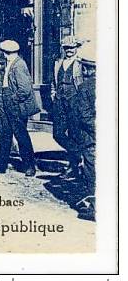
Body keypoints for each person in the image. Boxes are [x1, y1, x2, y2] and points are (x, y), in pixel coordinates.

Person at [0, 40, 39, 177]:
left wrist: (12, 100)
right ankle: (1, 165)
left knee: (21, 135)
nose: (4, 55)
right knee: (4, 135)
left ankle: (29, 165)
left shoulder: (19, 65)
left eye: (5, 53)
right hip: (5, 101)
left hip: (15, 104)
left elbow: (25, 89)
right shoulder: (9, 63)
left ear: (7, 53)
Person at [50, 36, 84, 179]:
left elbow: (84, 84)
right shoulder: (58, 63)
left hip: (74, 102)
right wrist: (53, 93)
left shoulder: (80, 63)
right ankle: (78, 155)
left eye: (71, 47)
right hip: (59, 101)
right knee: (57, 133)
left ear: (76, 47)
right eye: (66, 48)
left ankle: (73, 167)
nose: (69, 50)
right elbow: (54, 81)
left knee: (75, 134)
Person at [74, 58, 96, 221]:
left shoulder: (85, 88)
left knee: (92, 171)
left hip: (92, 138)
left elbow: (84, 116)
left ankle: (95, 209)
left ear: (88, 70)